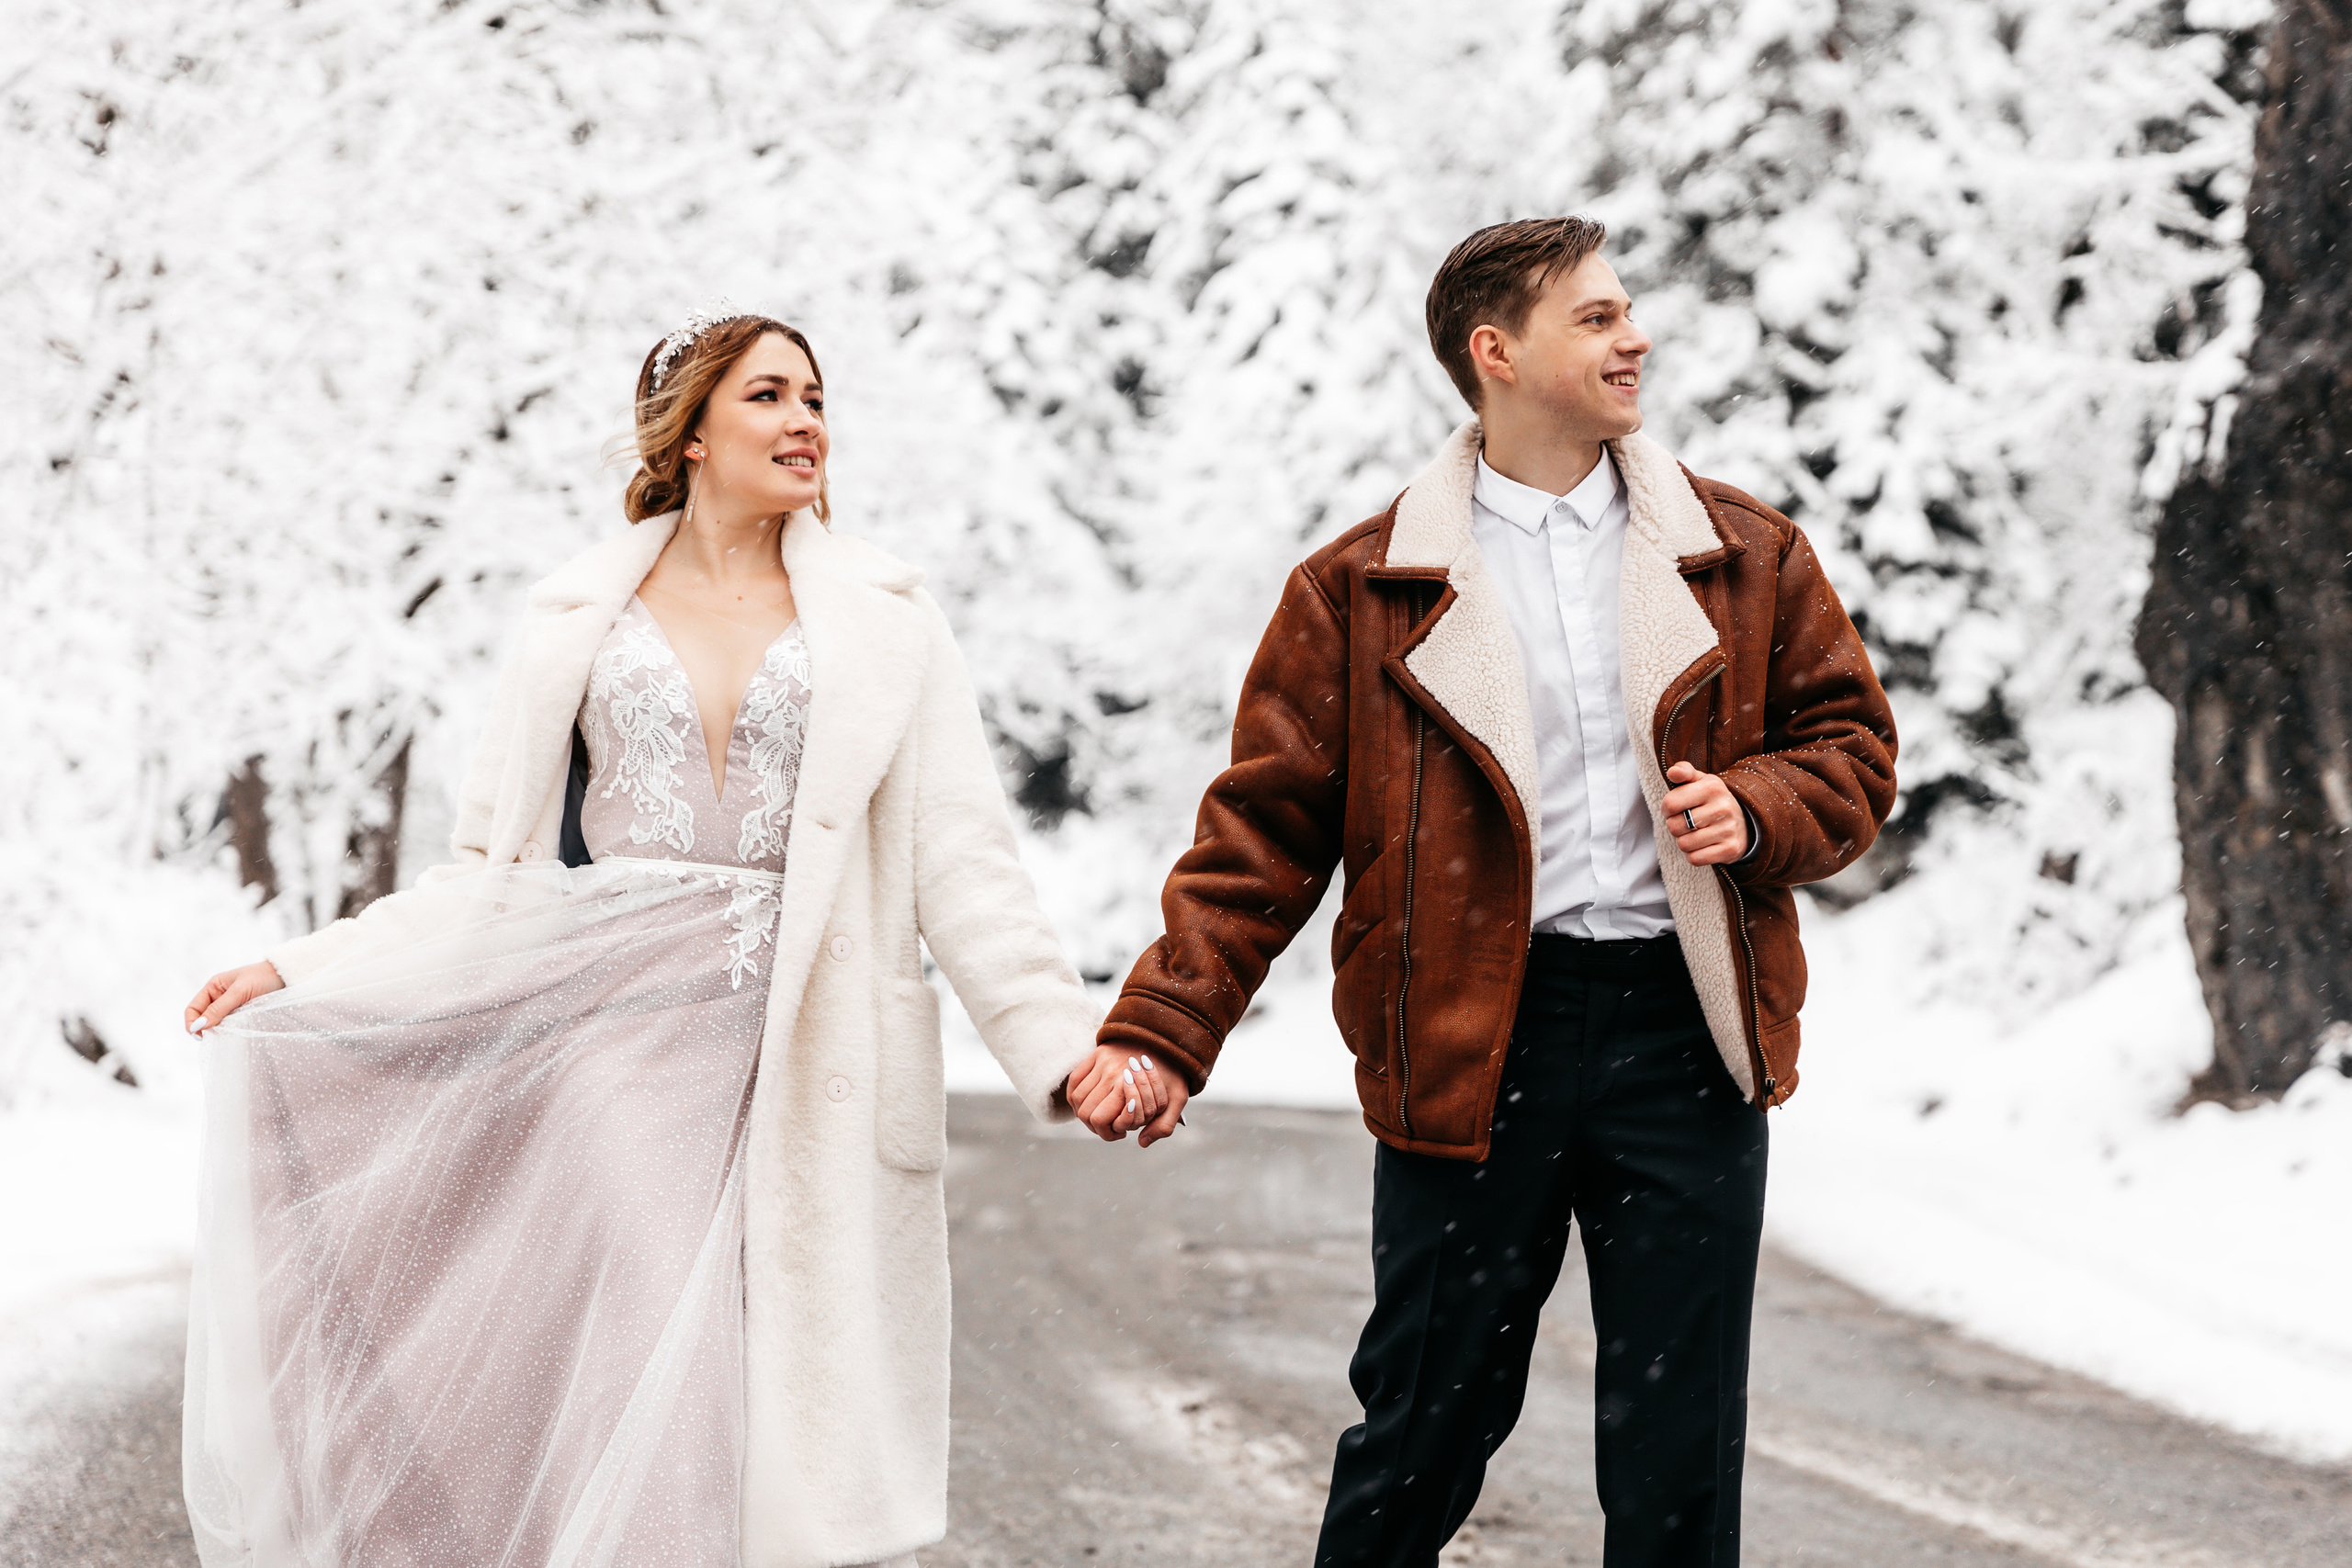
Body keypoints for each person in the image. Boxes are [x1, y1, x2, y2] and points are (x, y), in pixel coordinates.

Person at [178, 309, 1164, 1568]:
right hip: (616, 1030)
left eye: (815, 397)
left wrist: (1061, 1045)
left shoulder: (887, 620)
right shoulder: (575, 617)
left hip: (811, 1041)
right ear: (691, 432)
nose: (806, 420)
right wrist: (307, 972)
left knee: (771, 1401)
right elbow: (489, 870)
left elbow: (964, 861)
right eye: (767, 396)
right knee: (658, 1341)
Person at [1070, 218, 1898, 1565]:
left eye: (1631, 311)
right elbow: (1262, 835)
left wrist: (1757, 809)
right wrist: (1165, 1033)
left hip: (1683, 1043)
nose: (1635, 338)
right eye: (1596, 317)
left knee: (1677, 1453)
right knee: (1422, 1431)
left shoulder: (1746, 555)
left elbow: (1854, 750)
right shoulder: (1366, 586)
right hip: (1469, 1042)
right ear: (1495, 352)